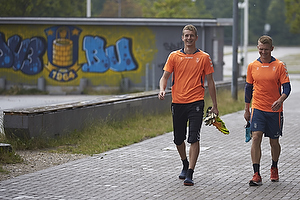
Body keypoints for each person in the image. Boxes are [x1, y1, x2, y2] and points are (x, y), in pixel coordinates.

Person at [158, 24, 219, 186]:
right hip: (178, 103)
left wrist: (215, 105)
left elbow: (211, 83)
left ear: (196, 38)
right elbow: (164, 77)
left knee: (193, 137)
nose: (189, 38)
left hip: (196, 102)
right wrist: (162, 89)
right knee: (178, 139)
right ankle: (185, 163)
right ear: (182, 37)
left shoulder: (204, 57)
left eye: (191, 35)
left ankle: (190, 172)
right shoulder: (174, 56)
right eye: (186, 35)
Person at [244, 35, 291, 186]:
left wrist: (280, 100)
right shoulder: (252, 66)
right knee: (256, 137)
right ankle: (256, 173)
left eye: (266, 50)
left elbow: (287, 88)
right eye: (260, 49)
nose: (263, 52)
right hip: (257, 108)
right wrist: (246, 109)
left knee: (274, 141)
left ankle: (274, 167)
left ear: (272, 49)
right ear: (257, 48)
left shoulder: (279, 66)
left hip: (274, 110)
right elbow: (248, 88)